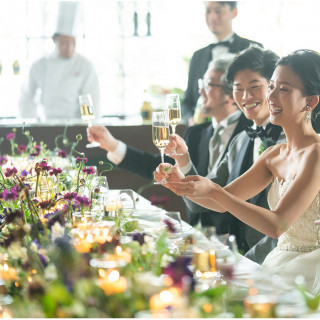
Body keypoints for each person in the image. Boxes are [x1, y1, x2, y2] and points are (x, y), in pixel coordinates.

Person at [155, 49, 320, 294]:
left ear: (310, 101)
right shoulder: (274, 154)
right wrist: (181, 182)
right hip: (280, 260)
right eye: (271, 86)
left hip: (308, 270)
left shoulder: (316, 153)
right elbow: (222, 201)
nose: (271, 96)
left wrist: (214, 191)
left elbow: (277, 225)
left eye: (283, 89)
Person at [87, 58, 251, 231]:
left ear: (232, 95)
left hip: (236, 236)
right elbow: (159, 167)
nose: (200, 90)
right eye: (201, 83)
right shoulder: (197, 133)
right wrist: (112, 145)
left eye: (209, 85)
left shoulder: (250, 134)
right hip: (196, 231)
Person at [163, 46, 285, 261]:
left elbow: (285, 226)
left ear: (273, 87)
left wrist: (245, 263)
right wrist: (182, 166)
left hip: (272, 259)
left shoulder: (289, 143)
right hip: (238, 252)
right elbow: (207, 201)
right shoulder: (241, 140)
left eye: (254, 86)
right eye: (238, 88)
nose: (245, 96)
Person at [182, 1, 262, 127]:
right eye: (208, 11)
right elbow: (188, 101)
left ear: (234, 12)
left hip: (243, 130)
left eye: (218, 11)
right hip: (202, 133)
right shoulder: (197, 56)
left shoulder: (252, 49)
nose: (212, 17)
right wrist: (190, 120)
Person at [18, 1, 100, 121]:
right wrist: (29, 126)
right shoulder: (39, 65)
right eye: (64, 43)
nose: (69, 48)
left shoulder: (85, 66)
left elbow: (90, 100)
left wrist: (85, 125)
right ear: (54, 39)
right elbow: (26, 98)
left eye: (73, 42)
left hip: (76, 126)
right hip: (45, 125)